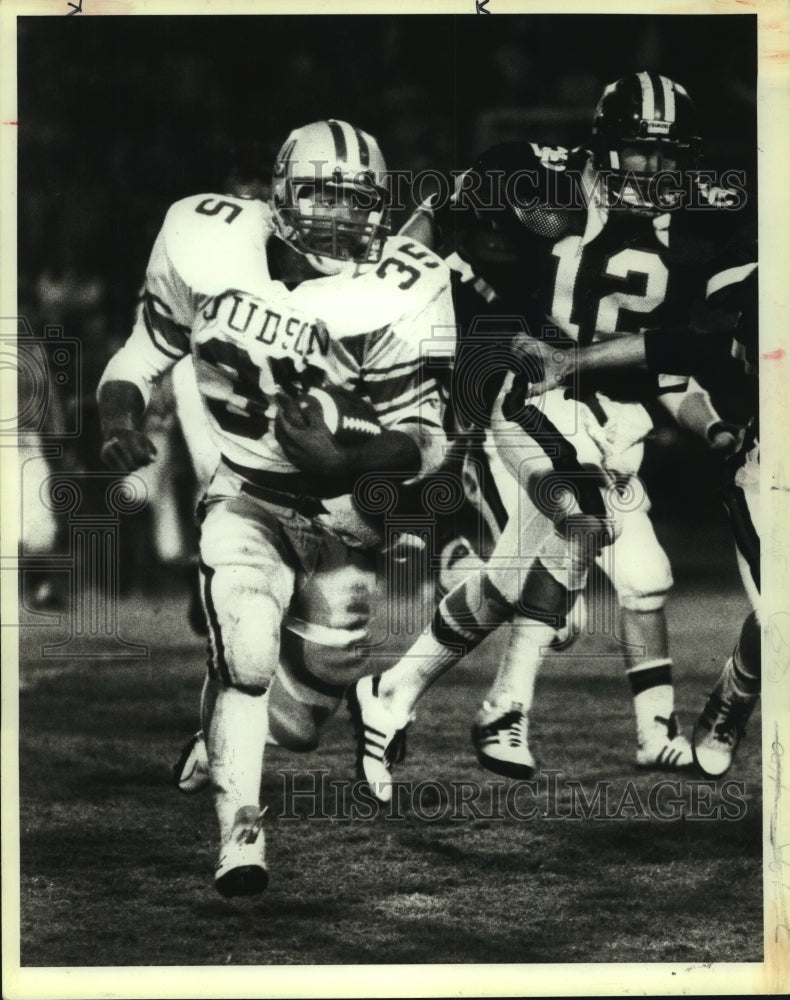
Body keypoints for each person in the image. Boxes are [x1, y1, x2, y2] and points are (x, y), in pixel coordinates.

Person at [348, 72, 750, 800]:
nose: (655, 170)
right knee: (583, 521)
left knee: (511, 583)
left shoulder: (701, 223)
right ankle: (506, 706)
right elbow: (440, 212)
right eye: (638, 151)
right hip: (529, 390)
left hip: (609, 418)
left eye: (668, 155)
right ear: (603, 145)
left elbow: (685, 352)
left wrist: (711, 423)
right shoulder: (542, 176)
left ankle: (391, 690)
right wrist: (393, 283)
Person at [97, 119, 453, 896]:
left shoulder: (404, 282)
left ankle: (219, 733)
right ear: (283, 192)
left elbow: (428, 438)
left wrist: (342, 459)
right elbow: (142, 351)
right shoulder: (207, 239)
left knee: (295, 724)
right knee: (250, 652)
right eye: (322, 194)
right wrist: (120, 417)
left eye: (358, 200)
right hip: (247, 491)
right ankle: (240, 833)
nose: (340, 216)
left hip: (344, 521)